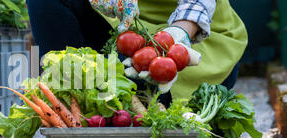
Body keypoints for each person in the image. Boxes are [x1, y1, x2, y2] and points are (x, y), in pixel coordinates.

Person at [26, 0, 247, 106]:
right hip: (124, 29)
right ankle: (68, 104)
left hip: (194, 36)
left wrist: (179, 34)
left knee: (134, 85)